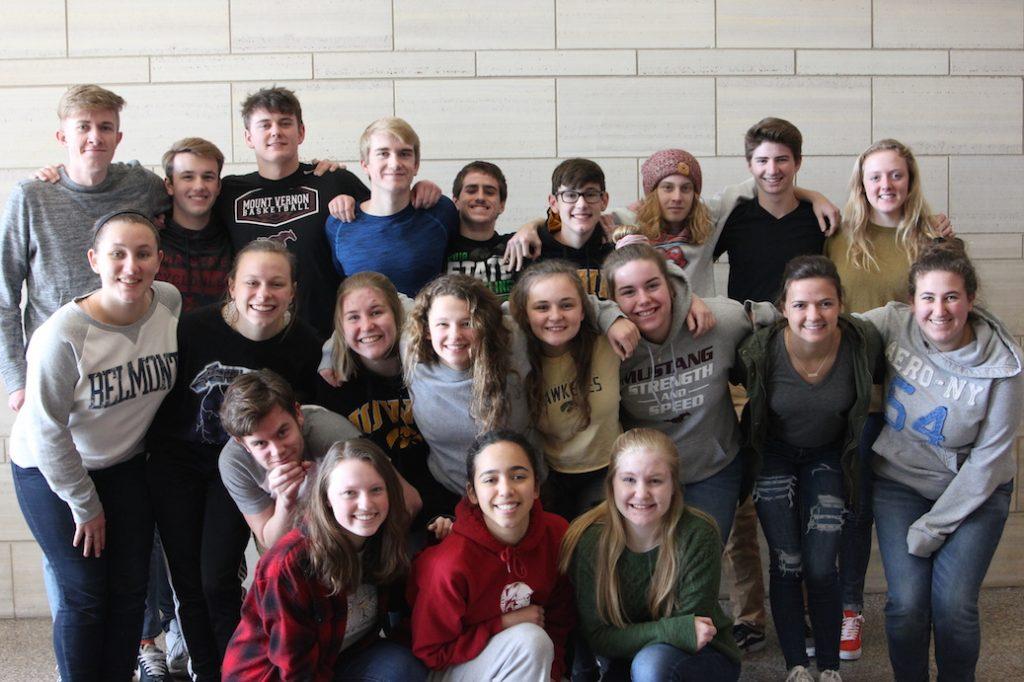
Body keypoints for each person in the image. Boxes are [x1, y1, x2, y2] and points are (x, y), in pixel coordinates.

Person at [10, 211, 179, 681]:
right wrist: (85, 506)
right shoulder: (63, 335)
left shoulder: (169, 302)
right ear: (94, 260)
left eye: (143, 254)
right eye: (117, 254)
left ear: (159, 260)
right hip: (52, 470)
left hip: (122, 465)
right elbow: (46, 431)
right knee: (86, 595)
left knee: (129, 591)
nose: (131, 266)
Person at [146, 239, 321, 680]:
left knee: (216, 577)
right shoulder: (191, 330)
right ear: (230, 286)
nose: (264, 294)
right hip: (179, 463)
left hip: (240, 468)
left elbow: (304, 414)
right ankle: (207, 670)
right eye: (252, 282)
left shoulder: (302, 343)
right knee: (187, 582)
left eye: (276, 284)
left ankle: (234, 669)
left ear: (293, 290)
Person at [859, 240, 1022, 681]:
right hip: (901, 482)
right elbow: (825, 323)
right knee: (907, 605)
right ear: (912, 302)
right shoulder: (893, 323)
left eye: (951, 296)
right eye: (927, 297)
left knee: (953, 605)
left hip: (977, 492)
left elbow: (989, 462)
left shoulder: (1005, 367)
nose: (939, 310)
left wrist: (933, 527)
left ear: (970, 299)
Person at [824, 138, 951, 660]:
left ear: (910, 180)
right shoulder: (836, 236)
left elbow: (955, 311)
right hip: (855, 397)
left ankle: (931, 608)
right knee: (855, 511)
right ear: (861, 183)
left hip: (917, 400)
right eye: (875, 177)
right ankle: (849, 609)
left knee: (918, 507)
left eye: (895, 176)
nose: (886, 186)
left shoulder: (934, 239)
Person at [735, 256, 883, 682]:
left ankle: (831, 667)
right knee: (788, 561)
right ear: (783, 307)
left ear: (840, 305)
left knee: (821, 565)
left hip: (828, 455)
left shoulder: (862, 341)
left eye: (825, 304)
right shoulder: (760, 350)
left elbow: (905, 319)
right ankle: (797, 665)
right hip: (775, 455)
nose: (813, 315)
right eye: (800, 305)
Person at [215, 87, 440, 336]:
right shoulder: (228, 191)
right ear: (248, 137)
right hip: (254, 332)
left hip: (325, 337)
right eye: (265, 124)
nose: (276, 131)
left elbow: (387, 210)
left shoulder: (333, 181)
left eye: (285, 123)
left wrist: (418, 189)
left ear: (301, 132)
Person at [403, 273, 637, 503]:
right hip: (454, 498)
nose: (454, 335)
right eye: (442, 324)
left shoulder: (510, 335)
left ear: (485, 323)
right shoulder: (412, 354)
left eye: (467, 323)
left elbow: (560, 299)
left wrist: (612, 319)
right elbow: (375, 305)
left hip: (531, 492)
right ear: (425, 330)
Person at [603, 239, 776, 544]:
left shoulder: (718, 320)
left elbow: (780, 318)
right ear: (613, 301)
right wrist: (605, 318)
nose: (643, 300)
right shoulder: (608, 348)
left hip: (713, 469)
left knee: (701, 564)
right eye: (628, 292)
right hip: (644, 480)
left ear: (671, 286)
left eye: (652, 285)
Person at [222, 439, 427, 681]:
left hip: (340, 658)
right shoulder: (289, 564)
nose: (366, 504)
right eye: (350, 492)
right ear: (327, 498)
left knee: (403, 667)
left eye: (376, 490)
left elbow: (408, 610)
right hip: (273, 675)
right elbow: (295, 669)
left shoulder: (384, 538)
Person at [560, 428, 742, 681]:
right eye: (629, 480)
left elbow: (691, 633)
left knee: (651, 665)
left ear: (674, 486)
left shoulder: (698, 534)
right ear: (611, 485)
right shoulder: (590, 539)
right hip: (625, 660)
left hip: (697, 657)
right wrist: (675, 629)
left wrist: (677, 631)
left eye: (655, 480)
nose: (642, 493)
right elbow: (599, 637)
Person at [408, 430, 574, 681]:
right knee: (531, 639)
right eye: (490, 480)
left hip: (528, 661)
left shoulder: (557, 533)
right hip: (451, 667)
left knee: (535, 643)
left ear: (536, 486)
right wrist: (503, 623)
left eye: (518, 476)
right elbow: (432, 652)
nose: (506, 490)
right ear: (472, 493)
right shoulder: (448, 564)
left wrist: (552, 674)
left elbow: (558, 621)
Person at [314, 272, 444, 527]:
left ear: (397, 314)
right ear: (341, 326)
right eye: (354, 317)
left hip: (444, 504)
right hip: (372, 516)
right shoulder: (332, 380)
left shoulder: (432, 365)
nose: (367, 325)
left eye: (376, 313)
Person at [509, 259, 622, 520]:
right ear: (525, 315)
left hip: (608, 469)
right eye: (541, 307)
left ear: (584, 310)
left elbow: (656, 300)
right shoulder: (515, 356)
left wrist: (691, 300)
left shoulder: (607, 343)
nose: (556, 316)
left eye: (567, 305)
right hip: (548, 476)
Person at [325, 117, 459, 297]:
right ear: (365, 164)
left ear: (416, 165)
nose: (395, 164)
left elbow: (475, 241)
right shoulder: (339, 223)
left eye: (404, 153)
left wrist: (512, 238)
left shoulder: (440, 211)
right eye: (383, 153)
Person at [446, 161, 515, 300]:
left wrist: (533, 225)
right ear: (456, 201)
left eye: (489, 192)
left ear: (502, 205)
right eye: (471, 190)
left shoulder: (516, 245)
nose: (480, 197)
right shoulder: (439, 248)